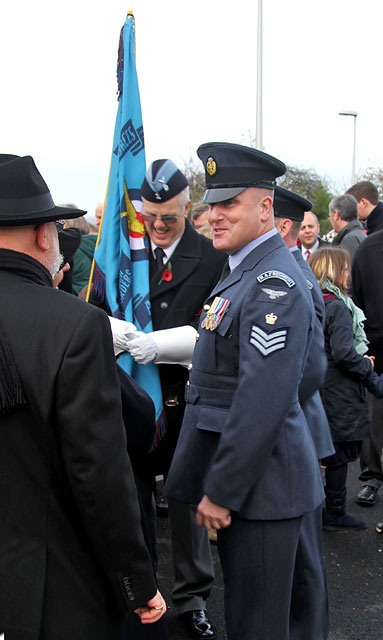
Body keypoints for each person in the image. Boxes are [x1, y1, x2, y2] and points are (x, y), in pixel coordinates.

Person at [0, 154, 166, 639]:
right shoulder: (73, 325)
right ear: (42, 234)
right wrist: (137, 582)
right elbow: (99, 472)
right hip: (50, 584)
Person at [165, 142, 325, 640]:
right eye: (212, 204)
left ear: (265, 208)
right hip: (258, 484)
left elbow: (264, 399)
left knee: (258, 626)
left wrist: (223, 491)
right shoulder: (245, 273)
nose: (214, 214)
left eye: (229, 203)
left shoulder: (272, 282)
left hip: (262, 490)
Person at [111, 159, 226, 639]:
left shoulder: (213, 256)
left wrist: (169, 344)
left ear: (187, 209)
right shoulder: (122, 255)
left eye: (169, 218)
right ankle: (141, 592)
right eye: (150, 217)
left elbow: (222, 325)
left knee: (185, 503)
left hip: (185, 399)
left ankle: (192, 595)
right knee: (131, 502)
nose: (158, 226)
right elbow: (99, 305)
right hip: (130, 399)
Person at [273, 185, 332, 639]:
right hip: (294, 423)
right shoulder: (290, 268)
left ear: (283, 225)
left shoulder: (292, 275)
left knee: (303, 555)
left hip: (295, 425)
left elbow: (310, 368)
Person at [309, 247, 380, 530]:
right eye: (346, 269)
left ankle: (316, 512)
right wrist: (367, 370)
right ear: (334, 270)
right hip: (339, 390)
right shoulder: (338, 306)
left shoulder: (316, 300)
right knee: (339, 455)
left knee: (321, 451)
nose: (349, 275)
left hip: (319, 386)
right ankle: (335, 515)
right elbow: (343, 353)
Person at [352, 230, 383, 508]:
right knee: (373, 419)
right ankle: (372, 478)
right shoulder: (369, 249)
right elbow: (357, 300)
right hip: (378, 348)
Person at [328, 193, 366, 262]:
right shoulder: (360, 234)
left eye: (330, 216)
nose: (330, 220)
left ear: (336, 214)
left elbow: (349, 270)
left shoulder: (350, 239)